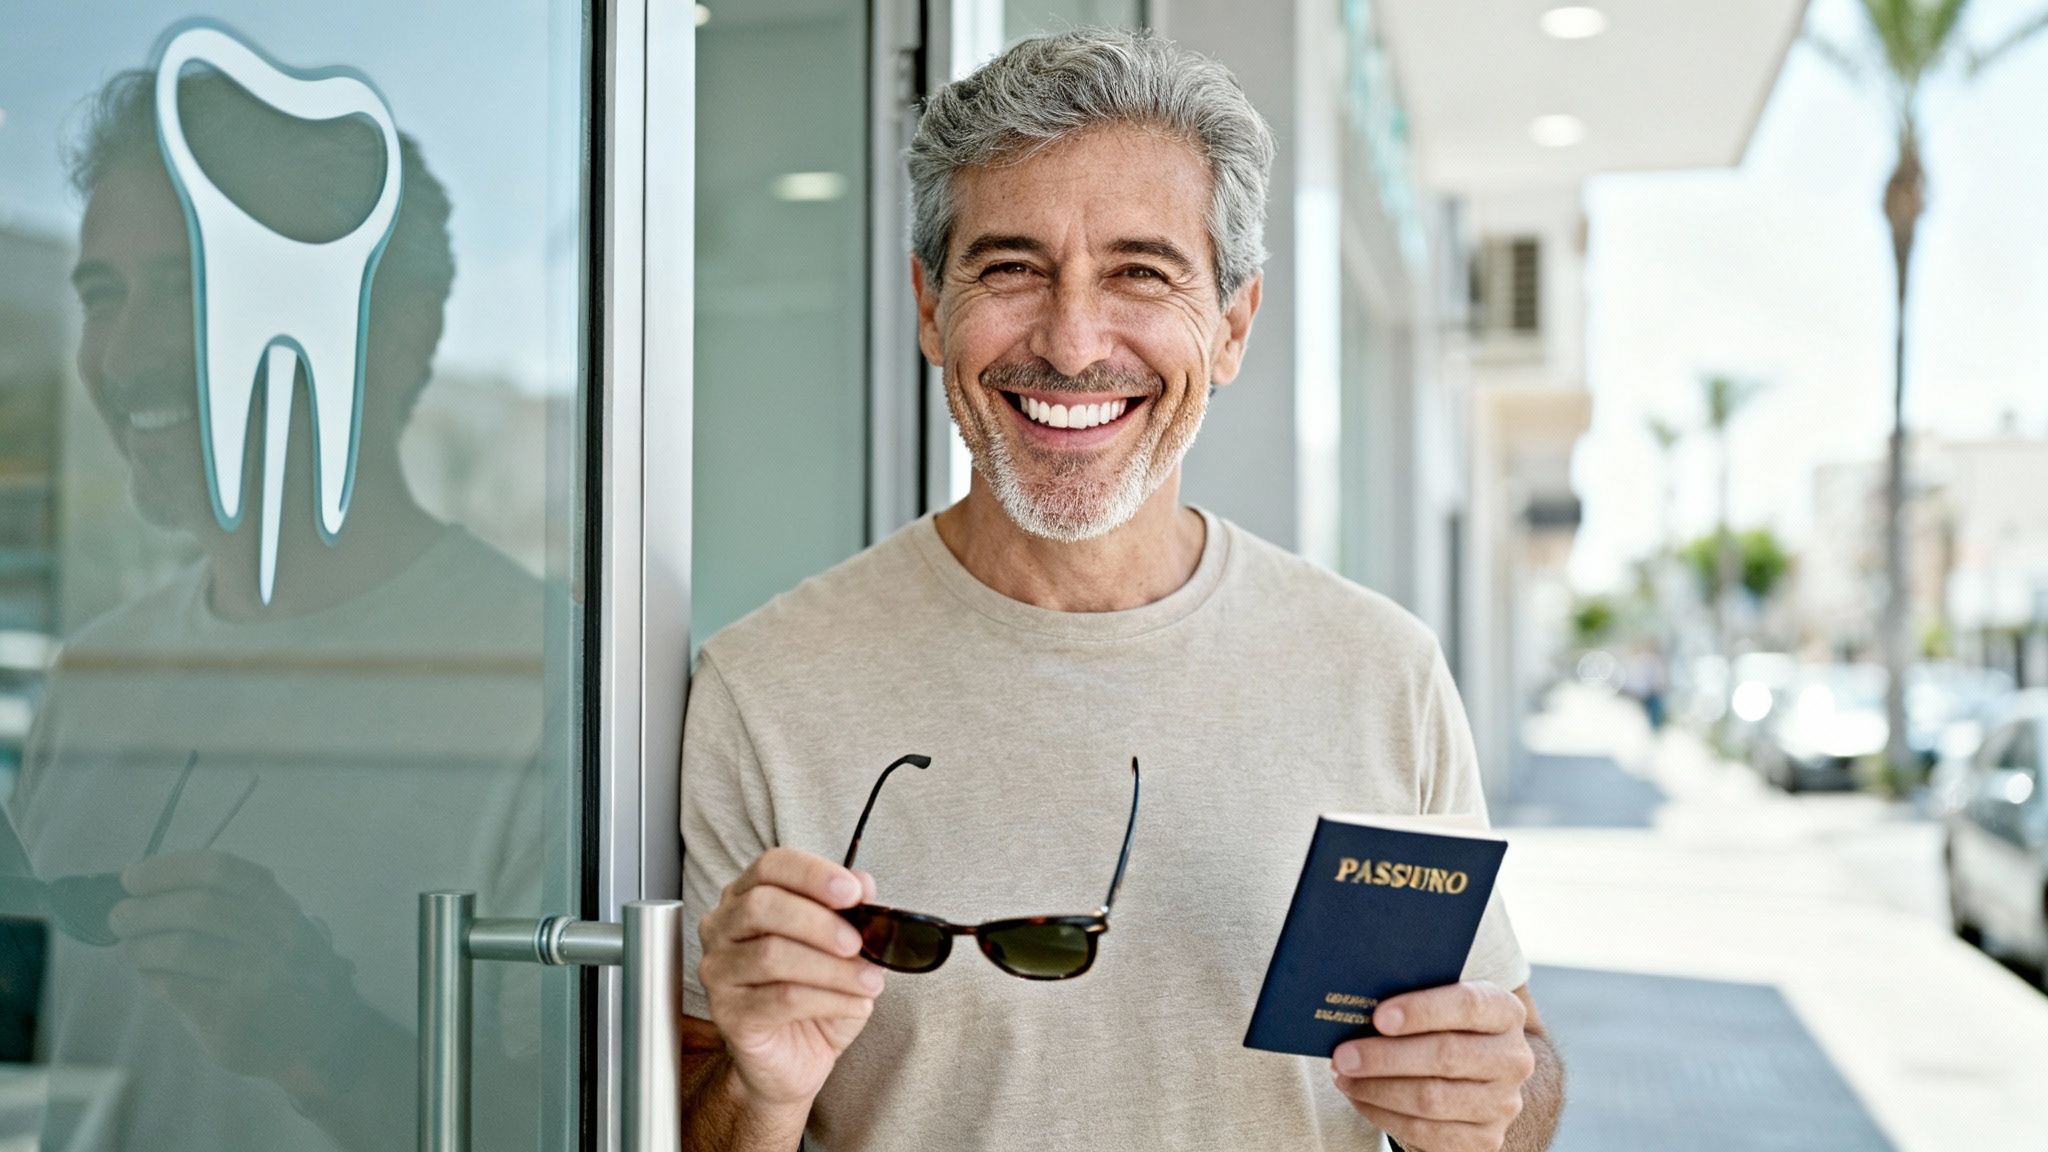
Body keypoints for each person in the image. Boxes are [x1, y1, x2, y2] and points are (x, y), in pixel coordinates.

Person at [679, 28, 1563, 1152]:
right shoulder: (766, 688)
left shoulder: (1376, 671)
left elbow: (1513, 1070)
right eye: (1009, 269)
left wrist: (1486, 1107)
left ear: (1232, 325)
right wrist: (760, 1092)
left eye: (1140, 273)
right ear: (925, 306)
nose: (1072, 339)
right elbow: (688, 1106)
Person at [10, 58, 553, 1149]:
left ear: (393, 338)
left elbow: (588, 1122)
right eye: (105, 295)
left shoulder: (556, 690)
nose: (125, 356)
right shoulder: (95, 674)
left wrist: (326, 1039)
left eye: (196, 288)